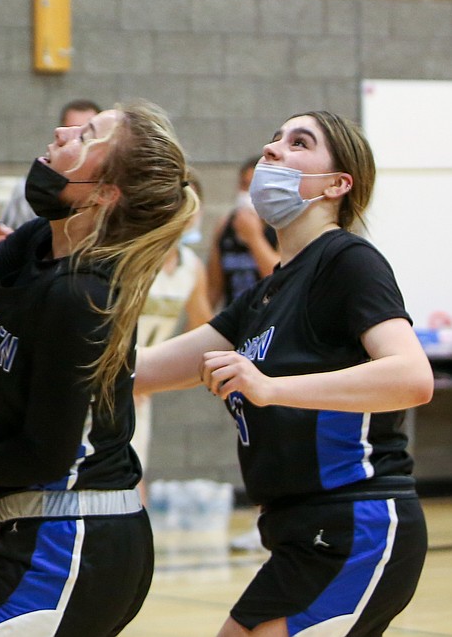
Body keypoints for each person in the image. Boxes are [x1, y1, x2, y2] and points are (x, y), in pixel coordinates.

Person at [0, 102, 197, 637]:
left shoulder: (81, 294)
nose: (62, 132)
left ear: (105, 194)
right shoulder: (39, 241)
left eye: (86, 135)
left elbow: (46, 452)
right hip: (50, 529)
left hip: (77, 535)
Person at [136, 111, 433, 637]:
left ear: (339, 184)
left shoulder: (347, 259)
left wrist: (271, 388)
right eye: (273, 139)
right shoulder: (266, 292)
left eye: (299, 143)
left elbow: (412, 376)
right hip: (299, 532)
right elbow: (140, 372)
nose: (273, 150)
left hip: (356, 523)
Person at [132, 168, 212, 475]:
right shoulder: (137, 257)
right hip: (107, 377)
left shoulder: (191, 267)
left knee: (134, 472)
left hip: (145, 380)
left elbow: (204, 330)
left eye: (193, 205)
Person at [0, 99, 102, 230]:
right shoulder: (28, 190)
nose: (61, 135)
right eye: (69, 129)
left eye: (84, 136)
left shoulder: (106, 198)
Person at [207, 154, 278, 309]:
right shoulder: (225, 225)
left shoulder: (281, 227)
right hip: (235, 318)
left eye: (254, 185)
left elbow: (281, 282)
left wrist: (254, 238)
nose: (248, 193)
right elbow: (213, 289)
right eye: (244, 185)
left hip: (268, 317)